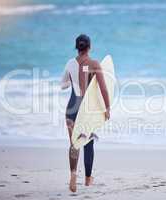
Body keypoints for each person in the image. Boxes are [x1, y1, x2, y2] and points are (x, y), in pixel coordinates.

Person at [61, 34, 110, 192]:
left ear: (77, 47)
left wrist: (74, 76)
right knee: (88, 142)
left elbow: (64, 85)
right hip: (85, 111)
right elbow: (103, 88)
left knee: (74, 144)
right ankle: (88, 179)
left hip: (71, 108)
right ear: (89, 47)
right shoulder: (94, 63)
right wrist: (107, 108)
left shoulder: (69, 63)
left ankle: (73, 175)